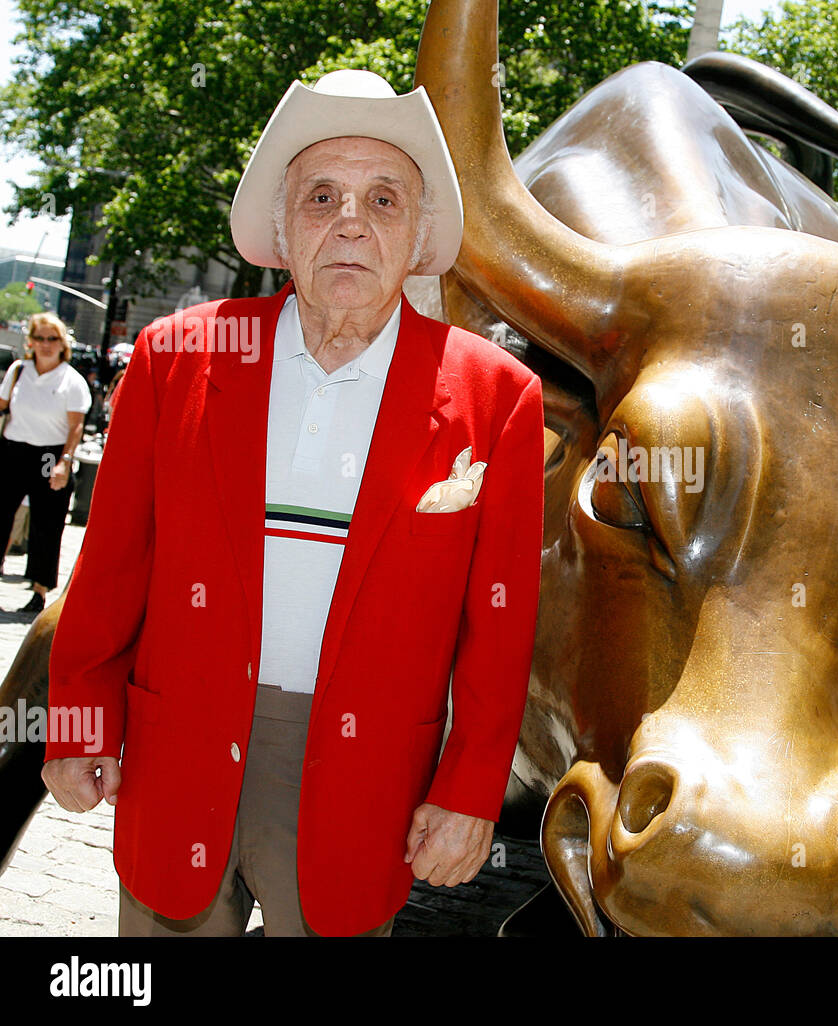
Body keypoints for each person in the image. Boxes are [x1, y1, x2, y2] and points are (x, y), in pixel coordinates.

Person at [40, 70, 544, 936]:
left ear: (419, 236)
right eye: (323, 196)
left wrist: (468, 792)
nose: (351, 221)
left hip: (366, 784)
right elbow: (113, 563)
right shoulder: (177, 357)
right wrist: (80, 719)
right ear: (283, 226)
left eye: (383, 199)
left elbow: (498, 629)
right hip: (178, 756)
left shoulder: (498, 397)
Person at [0, 312, 91, 613]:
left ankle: (39, 589)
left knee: (46, 522)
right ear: (31, 341)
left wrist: (64, 461)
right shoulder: (18, 371)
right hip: (14, 449)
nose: (45, 345)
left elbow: (76, 426)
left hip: (49, 453)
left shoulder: (71, 380)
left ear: (61, 343)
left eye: (52, 339)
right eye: (39, 338)